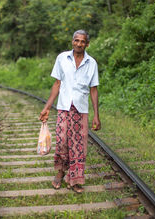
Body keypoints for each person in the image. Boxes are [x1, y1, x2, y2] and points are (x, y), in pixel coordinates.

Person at [39, 30, 101, 194]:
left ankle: (75, 180)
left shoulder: (91, 63)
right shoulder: (62, 58)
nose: (79, 43)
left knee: (79, 146)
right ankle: (60, 172)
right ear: (72, 41)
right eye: (76, 40)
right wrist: (46, 107)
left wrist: (96, 115)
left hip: (81, 109)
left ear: (87, 44)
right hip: (64, 108)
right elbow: (57, 84)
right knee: (61, 141)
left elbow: (93, 89)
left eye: (82, 41)